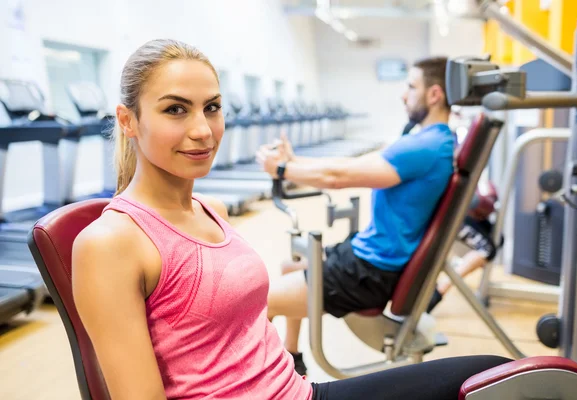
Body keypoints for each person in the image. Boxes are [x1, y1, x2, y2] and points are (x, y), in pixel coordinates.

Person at [72, 39, 511, 400]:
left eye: (212, 107)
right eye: (175, 109)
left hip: (298, 390)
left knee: (502, 378)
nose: (203, 130)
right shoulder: (110, 244)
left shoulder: (212, 211)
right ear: (128, 121)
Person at [256, 56, 497, 375]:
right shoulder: (431, 141)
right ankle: (293, 355)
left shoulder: (425, 146)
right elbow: (350, 166)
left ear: (434, 94)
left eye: (411, 87)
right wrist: (296, 162)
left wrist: (284, 168)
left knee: (258, 303)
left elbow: (339, 178)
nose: (403, 95)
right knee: (290, 266)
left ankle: (269, 384)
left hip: (370, 270)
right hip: (368, 256)